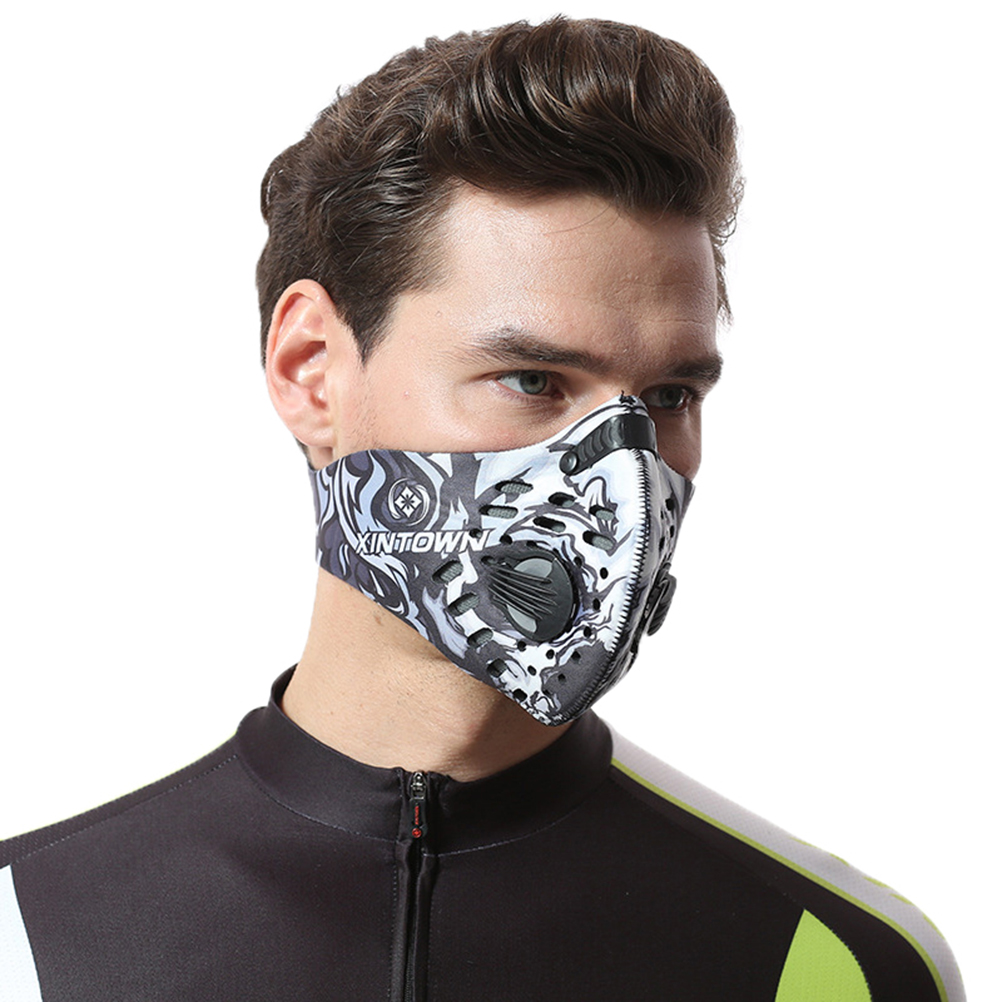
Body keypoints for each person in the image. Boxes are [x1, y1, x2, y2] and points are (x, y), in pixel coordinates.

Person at [0, 16, 964, 1001]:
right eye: (533, 380)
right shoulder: (24, 940)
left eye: (670, 396)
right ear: (311, 370)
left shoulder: (838, 964)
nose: (625, 481)